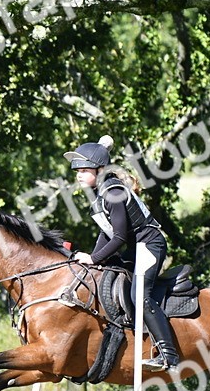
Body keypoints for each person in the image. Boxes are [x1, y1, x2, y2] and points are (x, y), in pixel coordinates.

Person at [64, 135, 180, 371]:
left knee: (140, 295)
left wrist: (94, 258)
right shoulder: (100, 194)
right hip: (133, 246)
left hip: (150, 245)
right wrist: (92, 262)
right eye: (77, 170)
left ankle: (169, 355)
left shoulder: (113, 192)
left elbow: (118, 236)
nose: (78, 174)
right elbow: (106, 234)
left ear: (99, 169)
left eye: (84, 170)